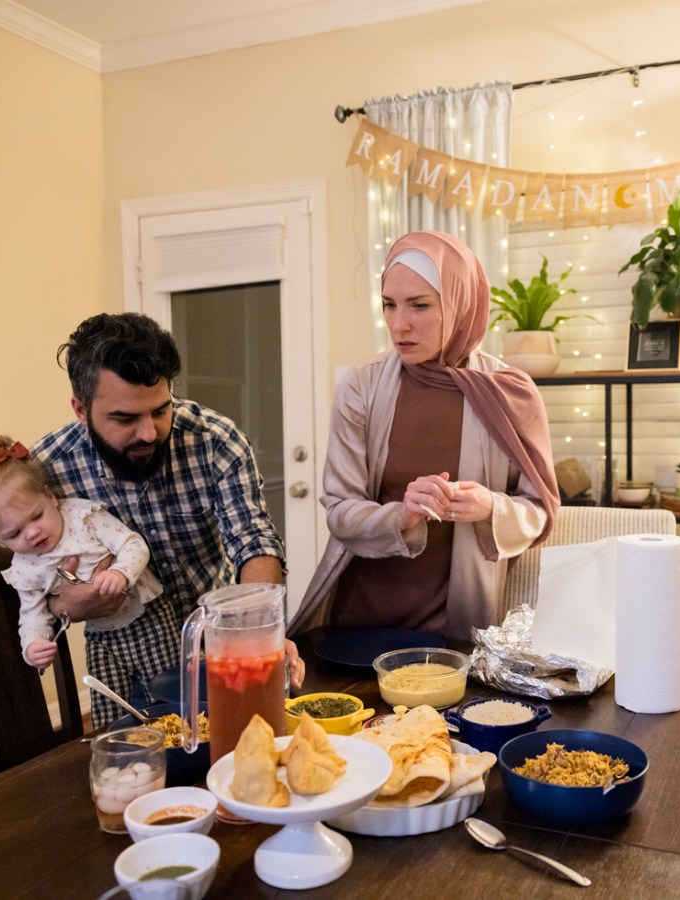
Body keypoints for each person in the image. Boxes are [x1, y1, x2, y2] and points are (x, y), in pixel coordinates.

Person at [291, 230, 561, 640]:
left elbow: (539, 511)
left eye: (419, 305)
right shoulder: (359, 387)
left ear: (459, 303)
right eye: (389, 305)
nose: (400, 325)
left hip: (461, 628)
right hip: (360, 623)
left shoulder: (512, 392)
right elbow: (339, 511)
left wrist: (490, 506)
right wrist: (401, 515)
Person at [30, 312, 305, 705]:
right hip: (124, 666)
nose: (148, 432)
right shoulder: (48, 470)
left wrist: (260, 631)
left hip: (220, 651)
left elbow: (253, 539)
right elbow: (29, 574)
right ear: (80, 408)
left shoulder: (214, 441)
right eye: (125, 418)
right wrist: (62, 604)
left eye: (160, 410)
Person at [0, 435, 166, 727]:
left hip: (149, 615)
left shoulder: (84, 518)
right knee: (108, 707)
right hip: (100, 634)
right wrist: (33, 644)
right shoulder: (25, 567)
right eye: (14, 533)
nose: (32, 533)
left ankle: (173, 747)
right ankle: (118, 750)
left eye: (36, 516)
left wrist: (120, 572)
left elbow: (133, 545)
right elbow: (32, 612)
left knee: (163, 693)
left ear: (49, 496)